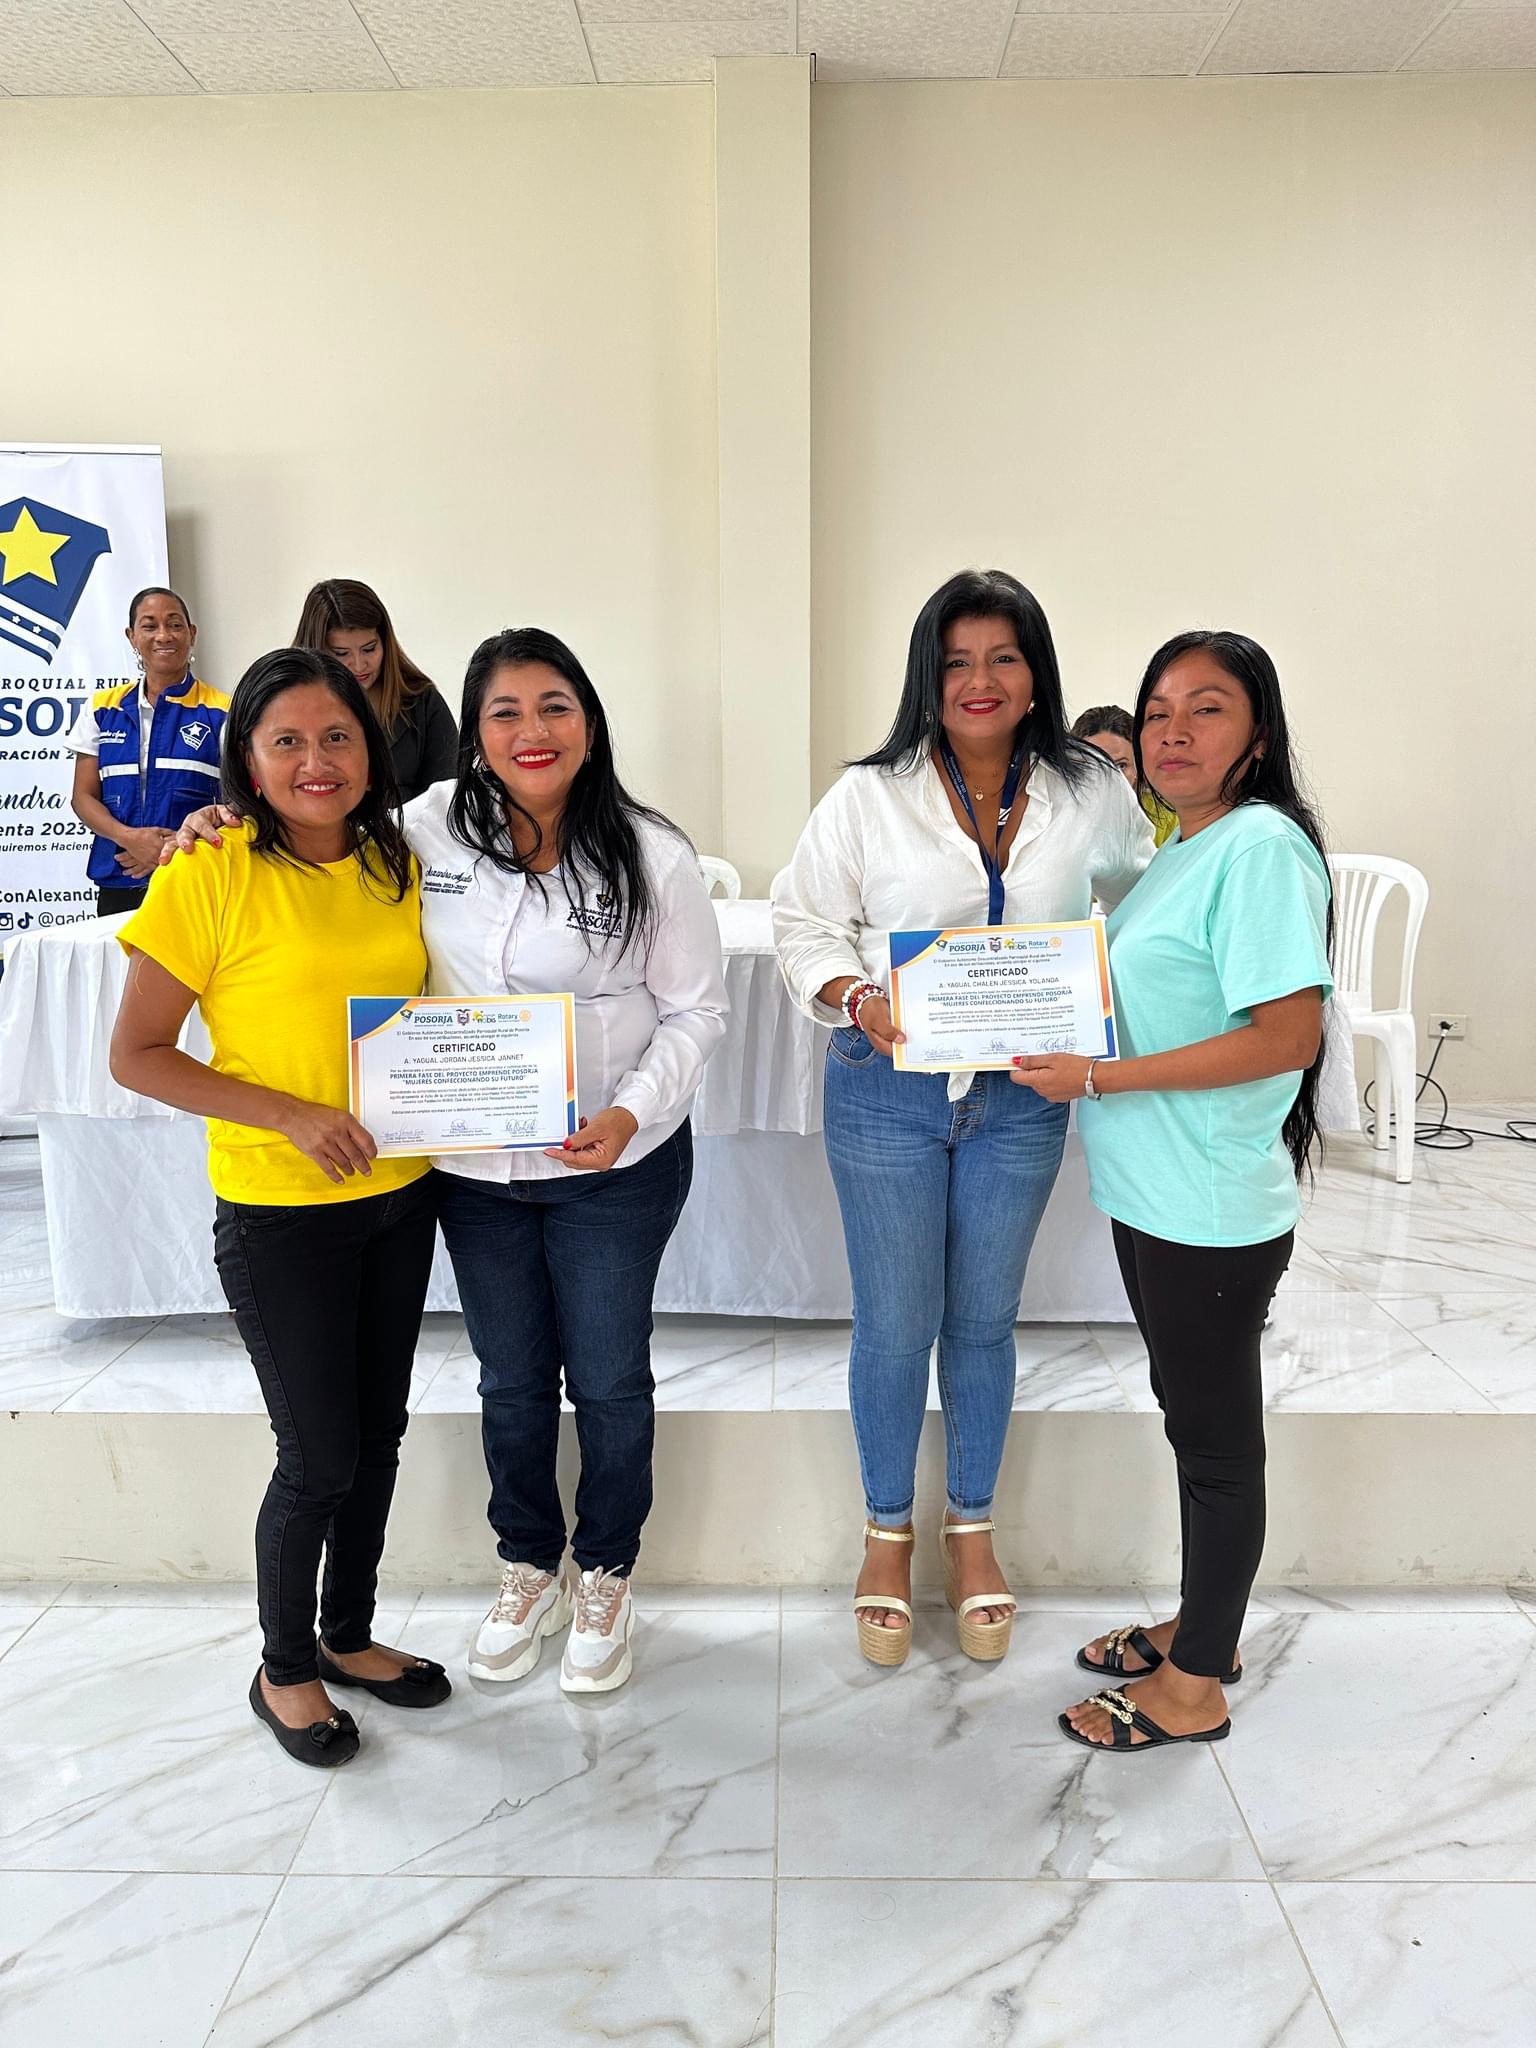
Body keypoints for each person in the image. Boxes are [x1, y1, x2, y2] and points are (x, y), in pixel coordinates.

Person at [171, 627, 728, 1697]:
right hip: (474, 1173)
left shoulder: (651, 851)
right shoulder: (421, 827)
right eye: (504, 711)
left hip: (614, 1165)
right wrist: (220, 816)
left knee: (608, 1377)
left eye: (554, 706)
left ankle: (607, 1570)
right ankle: (530, 1563)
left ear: (590, 721)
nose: (531, 730)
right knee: (511, 1379)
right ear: (473, 731)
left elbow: (698, 1012)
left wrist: (628, 1113)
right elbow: (310, 816)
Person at [772, 569, 1154, 1669]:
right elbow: (803, 921)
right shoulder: (869, 795)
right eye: (956, 661)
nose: (979, 680)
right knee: (896, 1322)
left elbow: (1147, 898)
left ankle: (972, 1528)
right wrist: (858, 996)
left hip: (1023, 1094)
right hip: (887, 1088)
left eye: (1002, 657)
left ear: (1035, 672)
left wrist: (1101, 994)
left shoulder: (1092, 789)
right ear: (926, 678)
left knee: (984, 1321)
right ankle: (887, 1533)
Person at [110, 647, 449, 1770]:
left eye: (338, 736)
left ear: (371, 750)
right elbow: (138, 1053)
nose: (317, 760)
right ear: (247, 762)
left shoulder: (395, 860)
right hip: (279, 1212)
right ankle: (283, 1665)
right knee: (317, 1457)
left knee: (378, 1437)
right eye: (288, 740)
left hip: (400, 1195)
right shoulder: (208, 871)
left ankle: (347, 1634)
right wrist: (290, 1114)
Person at [1013, 630, 1332, 1753]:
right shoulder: (1184, 847)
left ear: (1259, 737)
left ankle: (1195, 1684)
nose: (1174, 733)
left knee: (1215, 1445)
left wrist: (1099, 1076)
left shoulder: (1260, 848)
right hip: (1155, 1194)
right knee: (1191, 1422)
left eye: (1207, 709)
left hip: (1207, 1204)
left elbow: (1286, 1036)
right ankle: (1205, 1630)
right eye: (1157, 713)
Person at [67, 587, 230, 914]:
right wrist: (130, 838)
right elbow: (82, 797)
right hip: (119, 877)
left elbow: (239, 803)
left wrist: (175, 844)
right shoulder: (102, 708)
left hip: (193, 876)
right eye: (149, 625)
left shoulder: (223, 711)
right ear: (131, 636)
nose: (163, 635)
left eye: (175, 625)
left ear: (191, 634)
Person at [293, 578, 458, 801]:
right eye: (342, 654)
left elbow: (448, 795)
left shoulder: (422, 701)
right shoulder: (286, 706)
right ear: (315, 649)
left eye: (369, 649)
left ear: (385, 642)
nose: (359, 665)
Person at [1072, 704, 1177, 846]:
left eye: (1121, 766)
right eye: (1094, 766)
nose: (1109, 778)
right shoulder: (1056, 815)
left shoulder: (1166, 817)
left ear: (1139, 768)